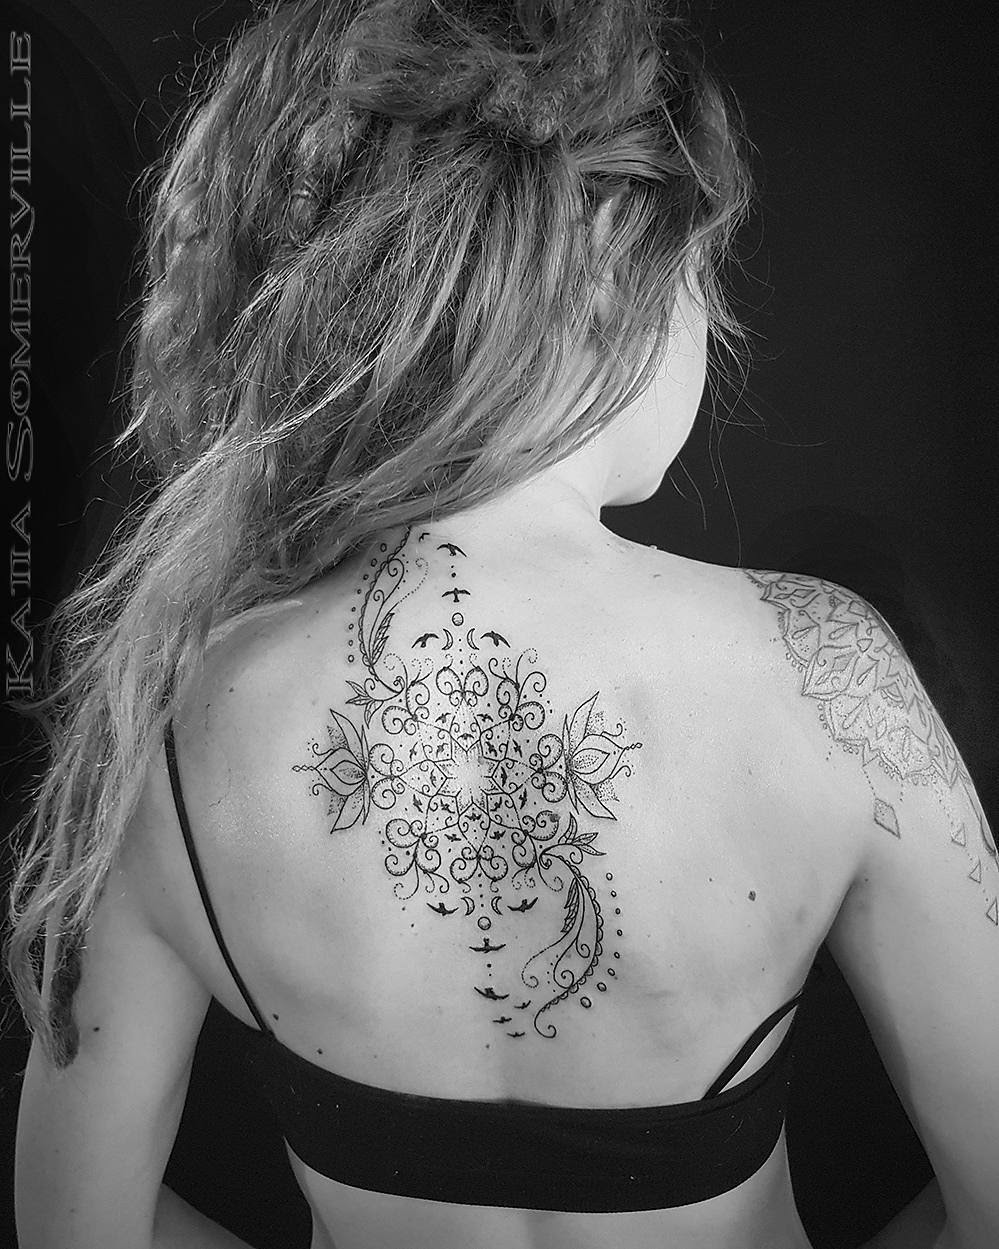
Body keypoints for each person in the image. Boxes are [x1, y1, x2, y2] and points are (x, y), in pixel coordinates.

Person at [7, 2, 997, 1247]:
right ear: (606, 268)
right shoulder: (825, 674)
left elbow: (72, 1224)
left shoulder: (166, 708)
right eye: (700, 278)